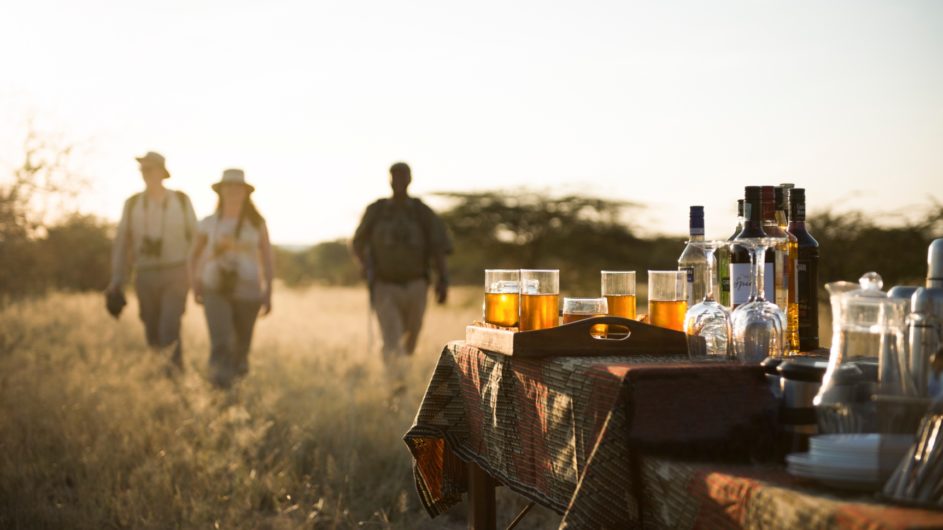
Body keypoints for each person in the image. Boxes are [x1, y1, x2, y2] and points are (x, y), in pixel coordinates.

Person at [352, 162, 453, 361]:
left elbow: (438, 247)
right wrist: (365, 266)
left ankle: (406, 374)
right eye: (394, 176)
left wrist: (443, 280)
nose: (398, 181)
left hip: (416, 284)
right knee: (391, 338)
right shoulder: (377, 210)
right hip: (384, 284)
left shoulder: (421, 211)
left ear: (410, 179)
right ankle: (395, 384)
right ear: (389, 179)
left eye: (402, 176)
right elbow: (357, 242)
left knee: (411, 337)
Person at [107, 151, 197, 369]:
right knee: (151, 327)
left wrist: (195, 275)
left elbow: (196, 239)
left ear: (161, 172)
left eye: (149, 168)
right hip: (145, 272)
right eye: (142, 169)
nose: (145, 173)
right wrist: (116, 279)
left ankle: (174, 374)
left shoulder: (181, 201)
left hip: (176, 272)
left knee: (169, 326)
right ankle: (159, 374)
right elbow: (122, 243)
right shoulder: (133, 203)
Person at [188, 169, 274, 387]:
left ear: (245, 192)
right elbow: (194, 255)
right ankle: (218, 388)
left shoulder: (257, 223)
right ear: (221, 191)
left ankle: (238, 389)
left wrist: (268, 290)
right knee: (221, 341)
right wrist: (195, 281)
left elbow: (267, 257)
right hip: (214, 287)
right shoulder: (208, 222)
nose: (233, 191)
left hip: (249, 289)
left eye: (238, 187)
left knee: (242, 345)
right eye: (229, 186)